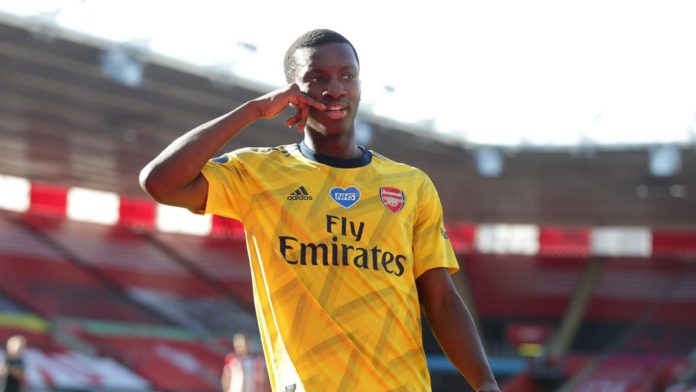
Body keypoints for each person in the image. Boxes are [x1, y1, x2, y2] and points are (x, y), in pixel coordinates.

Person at [140, 29, 500, 392]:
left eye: (347, 75)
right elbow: (161, 182)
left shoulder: (411, 185)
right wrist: (253, 110)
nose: (335, 88)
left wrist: (485, 384)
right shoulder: (259, 174)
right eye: (316, 78)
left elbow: (440, 300)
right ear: (291, 94)